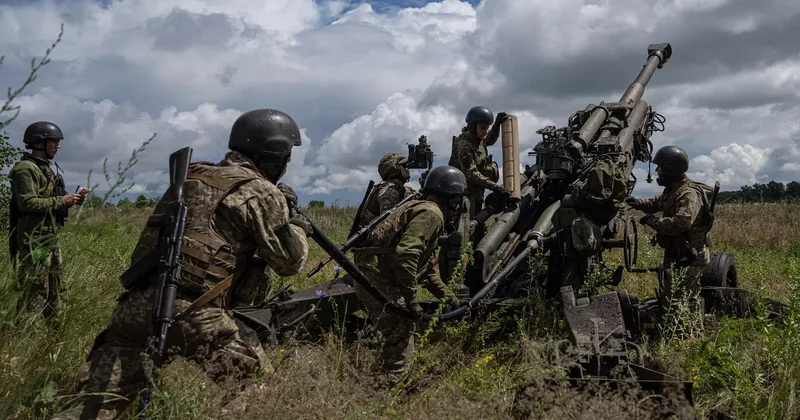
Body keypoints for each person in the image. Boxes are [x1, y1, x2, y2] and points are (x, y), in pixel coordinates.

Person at [52, 109, 312, 420]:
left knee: (96, 405)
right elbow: (290, 263)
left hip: (134, 308)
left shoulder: (191, 175)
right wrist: (297, 225)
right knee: (258, 394)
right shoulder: (259, 191)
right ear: (277, 154)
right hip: (194, 313)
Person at [351, 165, 467, 386]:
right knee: (402, 324)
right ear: (453, 199)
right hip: (375, 275)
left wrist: (452, 300)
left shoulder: (422, 209)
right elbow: (407, 255)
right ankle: (391, 386)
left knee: (399, 329)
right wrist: (411, 302)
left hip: (370, 272)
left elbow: (428, 273)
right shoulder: (432, 215)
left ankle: (386, 378)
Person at [625, 145, 713, 332]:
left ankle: (680, 337)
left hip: (689, 257)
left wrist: (652, 221)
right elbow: (659, 201)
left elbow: (681, 223)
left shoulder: (688, 193)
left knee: (678, 299)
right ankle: (685, 332)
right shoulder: (674, 189)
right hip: (678, 254)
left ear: (670, 170)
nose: (657, 171)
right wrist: (639, 203)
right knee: (676, 296)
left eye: (660, 167)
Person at [9, 121, 85, 320]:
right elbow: (27, 203)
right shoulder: (25, 169)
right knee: (35, 287)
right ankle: (27, 335)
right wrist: (61, 200)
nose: (58, 146)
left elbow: (49, 200)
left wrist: (71, 200)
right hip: (34, 240)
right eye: (54, 141)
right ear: (39, 142)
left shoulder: (47, 169)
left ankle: (54, 330)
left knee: (57, 286)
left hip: (50, 237)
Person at [448, 106, 511, 218]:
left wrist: (497, 125)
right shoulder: (464, 145)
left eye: (487, 128)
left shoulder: (478, 141)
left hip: (476, 194)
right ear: (472, 126)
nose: (485, 132)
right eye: (482, 128)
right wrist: (496, 187)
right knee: (469, 229)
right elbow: (471, 174)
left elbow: (490, 139)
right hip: (464, 196)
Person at [357, 152, 416, 228]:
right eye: (404, 166)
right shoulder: (388, 192)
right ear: (394, 168)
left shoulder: (403, 189)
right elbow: (388, 225)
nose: (408, 168)